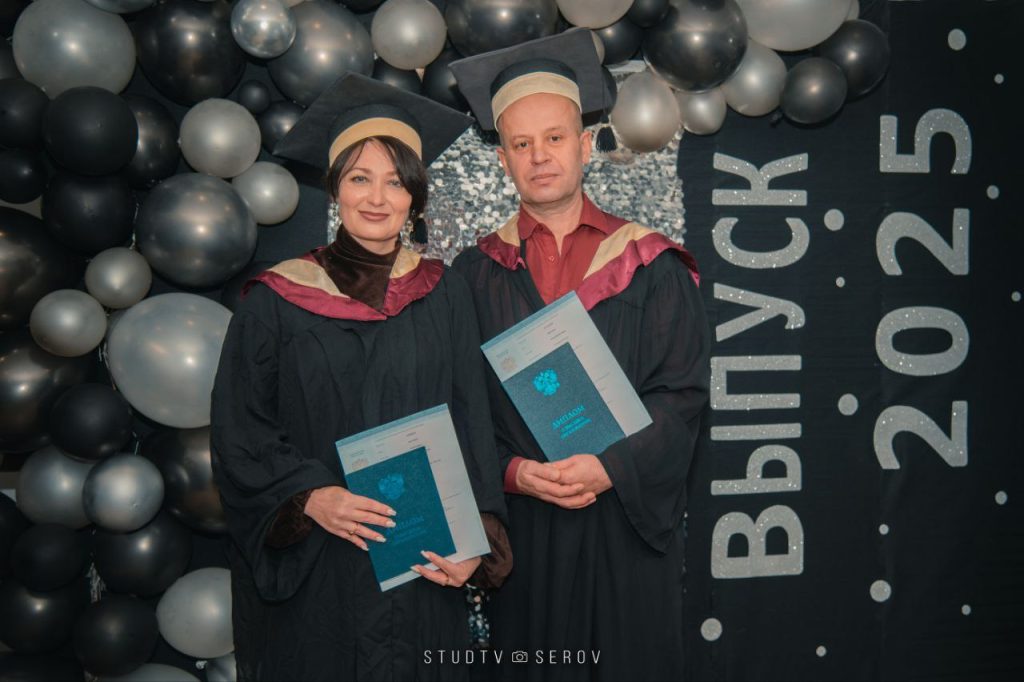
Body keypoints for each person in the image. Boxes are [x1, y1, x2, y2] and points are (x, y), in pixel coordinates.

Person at [210, 74, 511, 682]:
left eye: (396, 182)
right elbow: (241, 432)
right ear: (334, 188)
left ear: (415, 197)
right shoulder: (276, 301)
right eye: (359, 178)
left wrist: (476, 537)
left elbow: (472, 421)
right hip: (320, 564)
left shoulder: (444, 293)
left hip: (421, 559)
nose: (377, 198)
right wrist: (309, 499)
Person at [449, 30, 711, 682]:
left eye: (555, 137)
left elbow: (681, 397)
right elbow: (457, 406)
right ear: (502, 160)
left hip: (624, 521)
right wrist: (513, 474)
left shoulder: (650, 265)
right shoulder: (473, 276)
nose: (540, 156)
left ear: (585, 145)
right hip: (526, 530)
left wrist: (609, 467)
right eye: (521, 144)